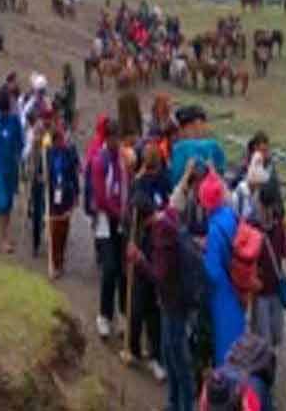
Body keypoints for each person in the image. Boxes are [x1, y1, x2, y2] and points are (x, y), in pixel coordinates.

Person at [127, 199, 196, 411]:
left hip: (175, 303)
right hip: (169, 301)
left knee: (178, 358)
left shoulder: (162, 234)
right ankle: (173, 403)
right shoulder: (165, 220)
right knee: (168, 353)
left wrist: (139, 260)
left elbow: (159, 276)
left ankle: (185, 406)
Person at [200, 168, 246, 366]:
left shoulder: (214, 228)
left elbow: (212, 272)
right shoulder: (229, 214)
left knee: (224, 341)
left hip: (222, 292)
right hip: (237, 284)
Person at [122, 190, 167, 381]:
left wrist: (140, 259)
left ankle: (156, 357)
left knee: (154, 317)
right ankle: (132, 350)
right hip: (138, 276)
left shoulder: (160, 231)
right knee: (135, 312)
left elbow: (159, 272)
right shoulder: (132, 223)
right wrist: (130, 254)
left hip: (153, 278)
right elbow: (125, 242)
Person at [93, 119, 129, 339]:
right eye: (114, 138)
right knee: (110, 269)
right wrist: (119, 213)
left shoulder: (123, 160)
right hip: (106, 222)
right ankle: (104, 315)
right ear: (107, 138)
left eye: (120, 138)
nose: (118, 142)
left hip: (122, 221)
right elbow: (101, 197)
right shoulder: (100, 161)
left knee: (124, 271)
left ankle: (123, 313)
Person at [249, 180, 286, 369]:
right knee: (263, 337)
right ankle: (264, 372)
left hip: (275, 287)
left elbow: (282, 251)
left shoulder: (279, 223)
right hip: (261, 290)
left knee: (276, 334)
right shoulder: (252, 225)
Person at [0, 83, 24, 254]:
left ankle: (6, 233)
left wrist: (19, 161)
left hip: (11, 166)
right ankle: (2, 239)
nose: (5, 113)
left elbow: (20, 143)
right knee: (1, 201)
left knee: (8, 202)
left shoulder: (14, 120)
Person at [46, 116, 80, 278]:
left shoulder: (69, 153)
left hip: (66, 194)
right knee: (54, 229)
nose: (62, 142)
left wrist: (76, 195)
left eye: (63, 139)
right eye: (59, 140)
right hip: (53, 195)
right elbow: (43, 174)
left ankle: (60, 258)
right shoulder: (49, 154)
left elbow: (74, 175)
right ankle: (54, 261)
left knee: (64, 228)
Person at [25, 106, 56, 258]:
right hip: (38, 177)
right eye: (46, 119)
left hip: (52, 177)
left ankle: (53, 242)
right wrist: (36, 175)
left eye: (50, 118)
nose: (48, 121)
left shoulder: (55, 131)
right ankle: (36, 244)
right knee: (38, 212)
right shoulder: (37, 132)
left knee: (52, 211)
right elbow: (33, 157)